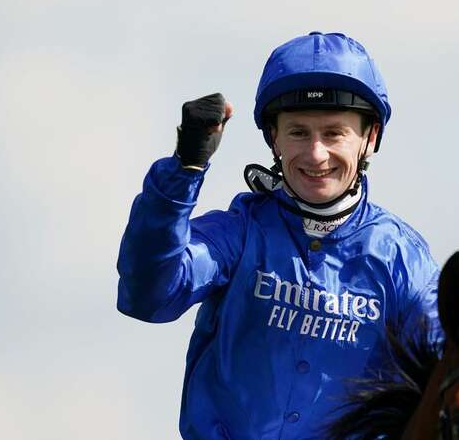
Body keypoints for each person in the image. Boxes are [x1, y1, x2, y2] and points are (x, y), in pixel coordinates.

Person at [117, 31, 441, 440]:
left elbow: (454, 374)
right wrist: (185, 168)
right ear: (274, 138)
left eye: (334, 133)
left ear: (369, 138)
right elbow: (148, 295)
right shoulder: (239, 231)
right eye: (299, 133)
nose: (316, 154)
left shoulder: (402, 259)